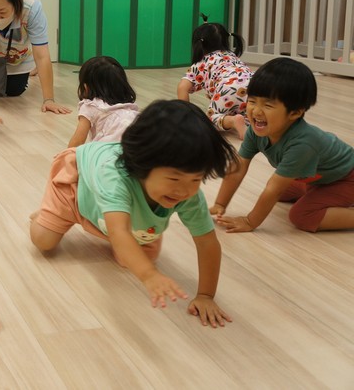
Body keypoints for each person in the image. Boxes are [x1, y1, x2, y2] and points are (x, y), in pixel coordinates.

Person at [30, 100, 238, 327]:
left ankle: (117, 221)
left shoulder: (187, 194)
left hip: (116, 215)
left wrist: (206, 295)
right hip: (75, 189)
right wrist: (149, 275)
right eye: (174, 178)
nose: (184, 190)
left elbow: (207, 242)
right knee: (43, 240)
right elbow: (119, 232)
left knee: (136, 257)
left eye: (196, 179)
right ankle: (47, 212)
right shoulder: (114, 176)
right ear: (143, 164)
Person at [212, 58, 354, 233]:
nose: (256, 111)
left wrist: (250, 221)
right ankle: (321, 194)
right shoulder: (255, 131)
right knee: (284, 191)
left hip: (346, 179)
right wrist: (220, 204)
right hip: (318, 177)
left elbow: (274, 189)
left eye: (268, 105)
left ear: (295, 113)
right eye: (252, 101)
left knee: (301, 216)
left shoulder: (303, 143)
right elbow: (238, 167)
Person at [177, 23, 252, 140]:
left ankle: (233, 121)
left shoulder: (201, 63)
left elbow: (182, 88)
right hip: (254, 85)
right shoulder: (232, 56)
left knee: (210, 121)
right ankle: (247, 125)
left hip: (228, 87)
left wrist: (186, 115)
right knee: (250, 113)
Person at [67, 56, 138, 147]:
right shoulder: (131, 108)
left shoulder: (90, 106)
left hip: (109, 151)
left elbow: (77, 141)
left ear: (86, 87)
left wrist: (66, 154)